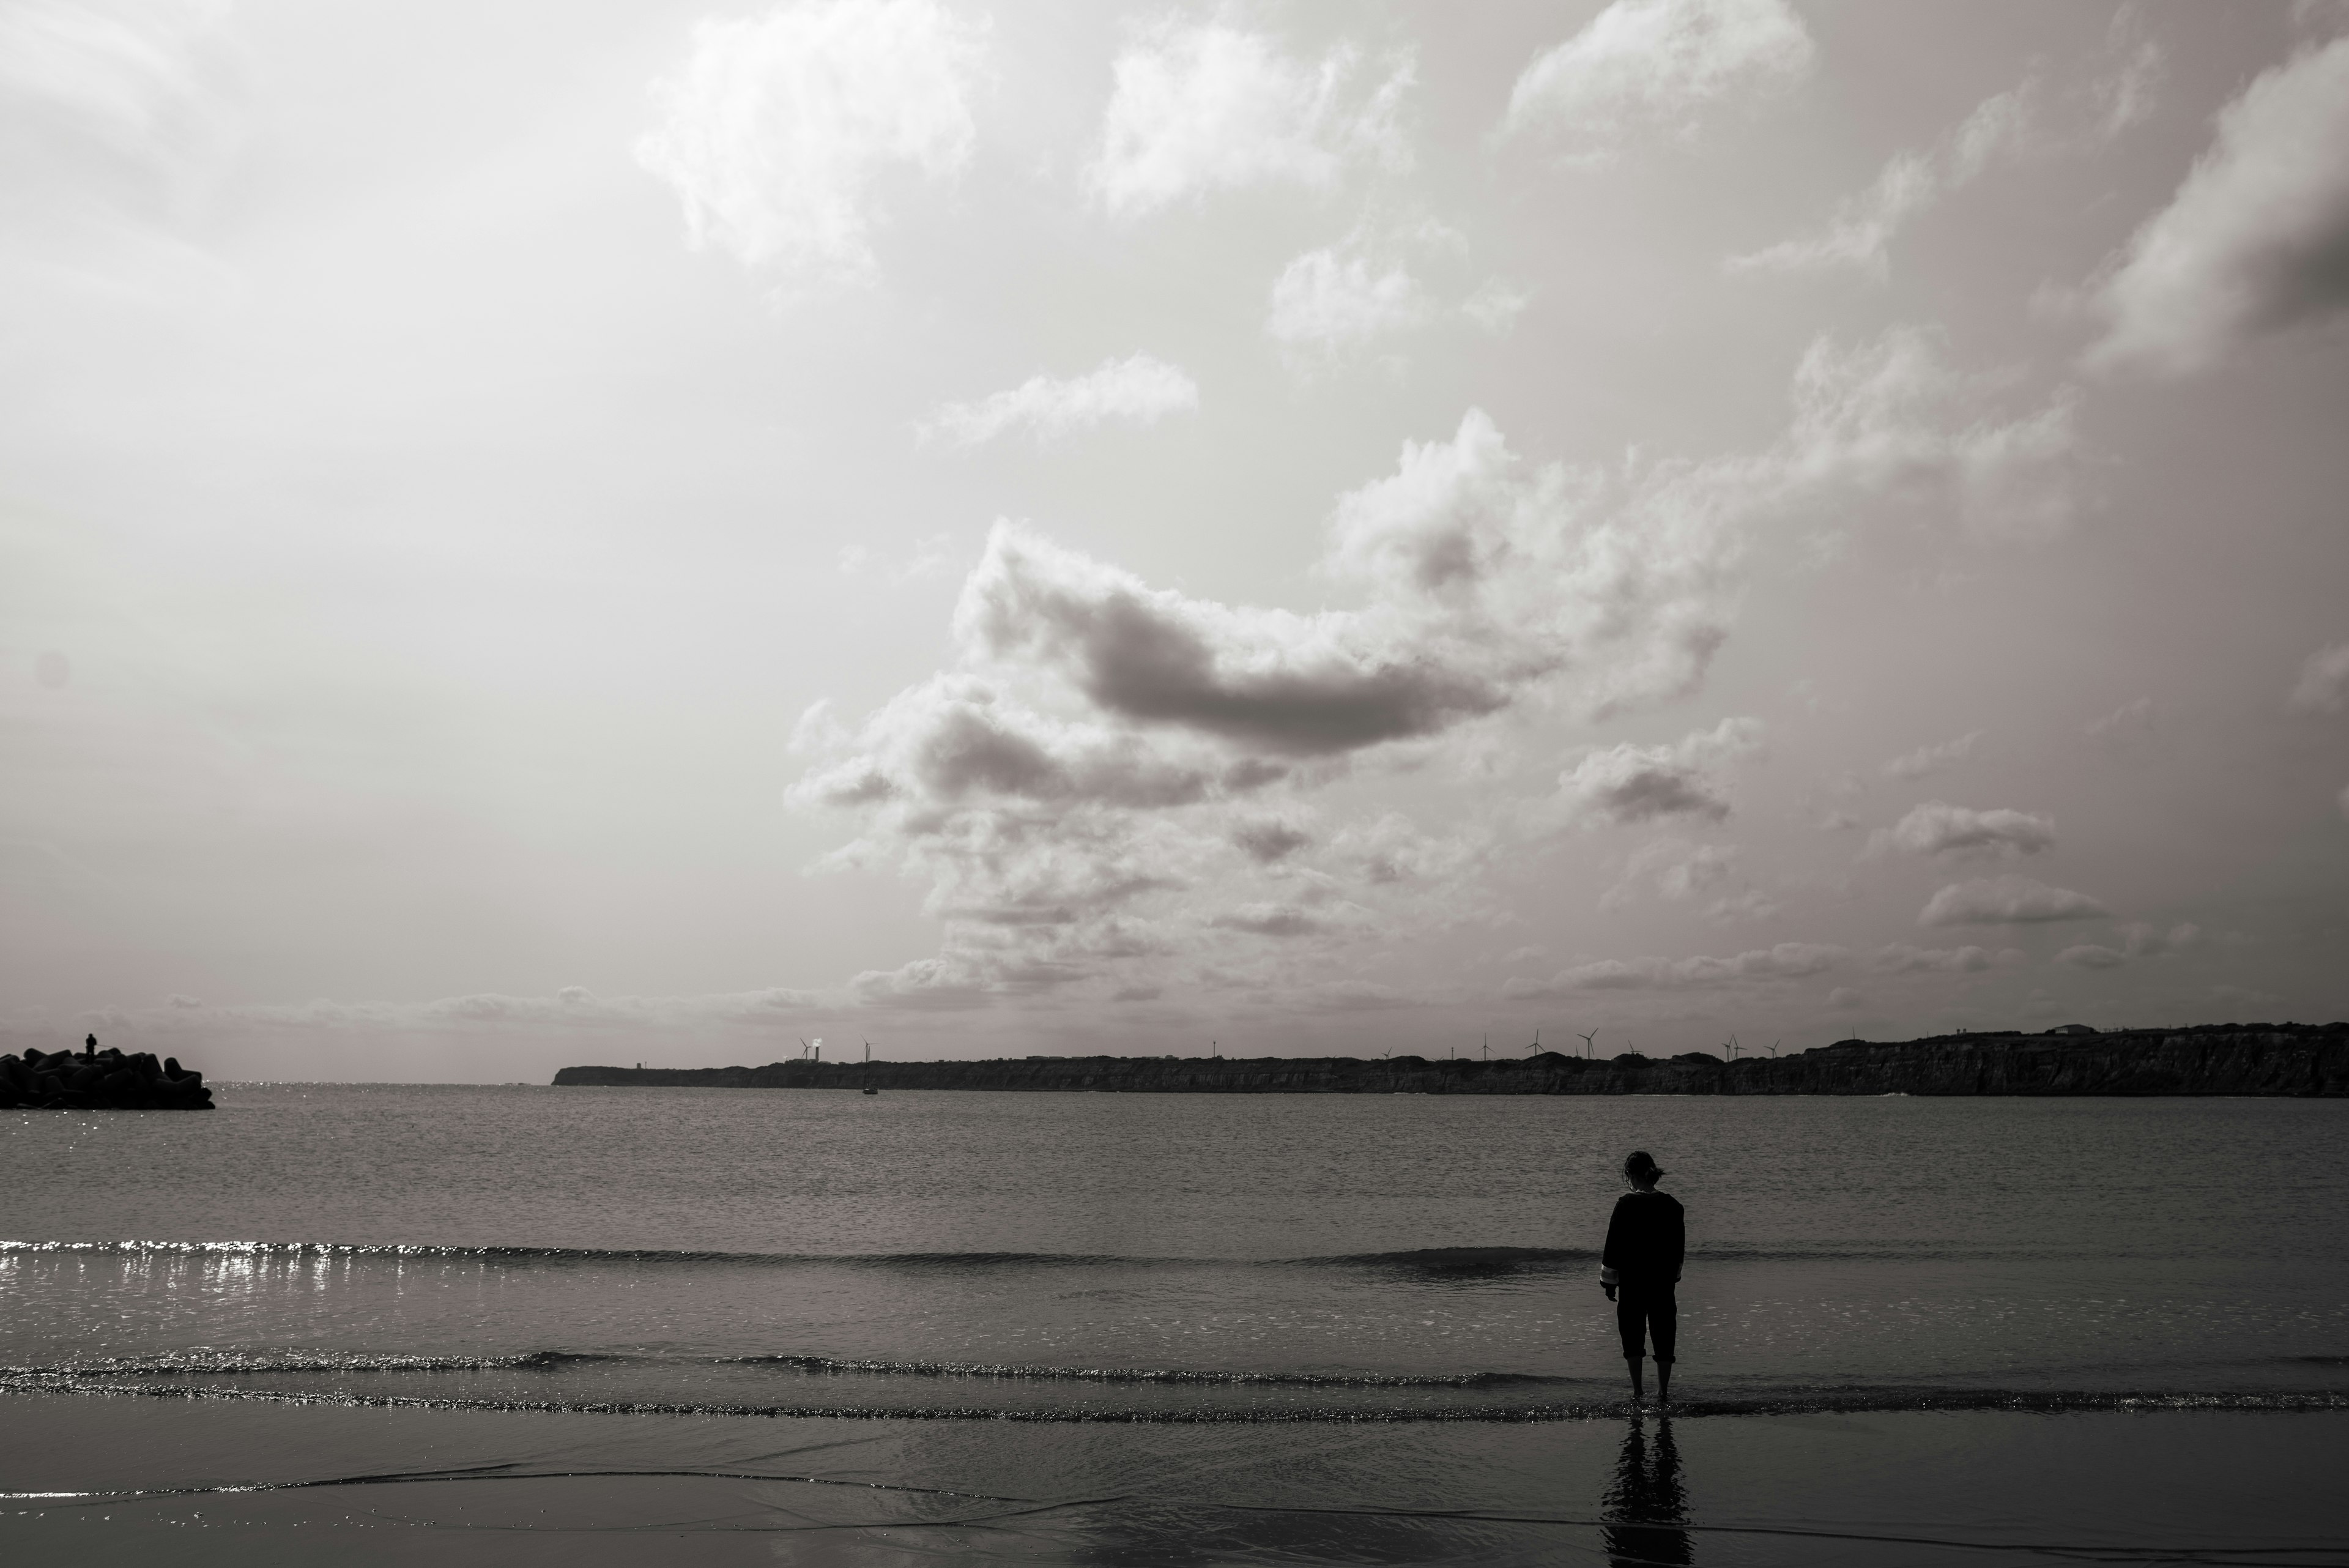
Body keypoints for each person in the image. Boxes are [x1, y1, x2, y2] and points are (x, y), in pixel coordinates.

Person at [1600, 1149, 1684, 1405]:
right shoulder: (1673, 1207)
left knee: (1632, 1336)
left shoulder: (1625, 1206)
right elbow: (1678, 1250)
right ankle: (1662, 1393)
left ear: (1631, 1176)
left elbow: (1612, 1248)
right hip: (1661, 1282)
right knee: (1664, 1336)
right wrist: (1674, 1276)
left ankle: (1638, 1391)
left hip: (1633, 1283)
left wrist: (1609, 1283)